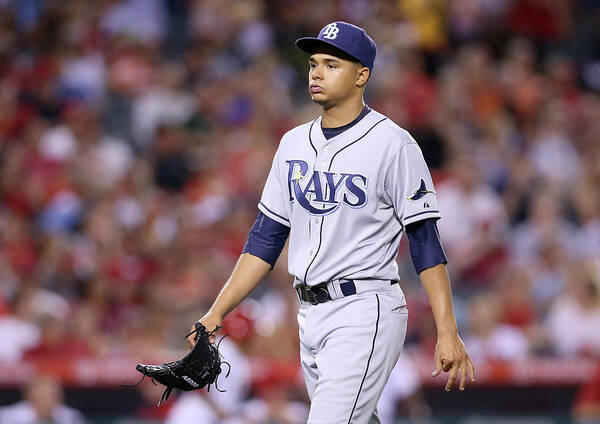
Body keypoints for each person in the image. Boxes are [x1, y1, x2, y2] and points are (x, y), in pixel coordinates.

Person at [188, 21, 475, 423]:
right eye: (314, 64)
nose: (317, 72)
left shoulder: (393, 144)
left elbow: (426, 242)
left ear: (362, 75)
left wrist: (448, 330)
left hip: (365, 308)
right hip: (309, 314)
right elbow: (265, 239)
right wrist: (217, 312)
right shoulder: (292, 143)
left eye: (332, 64)